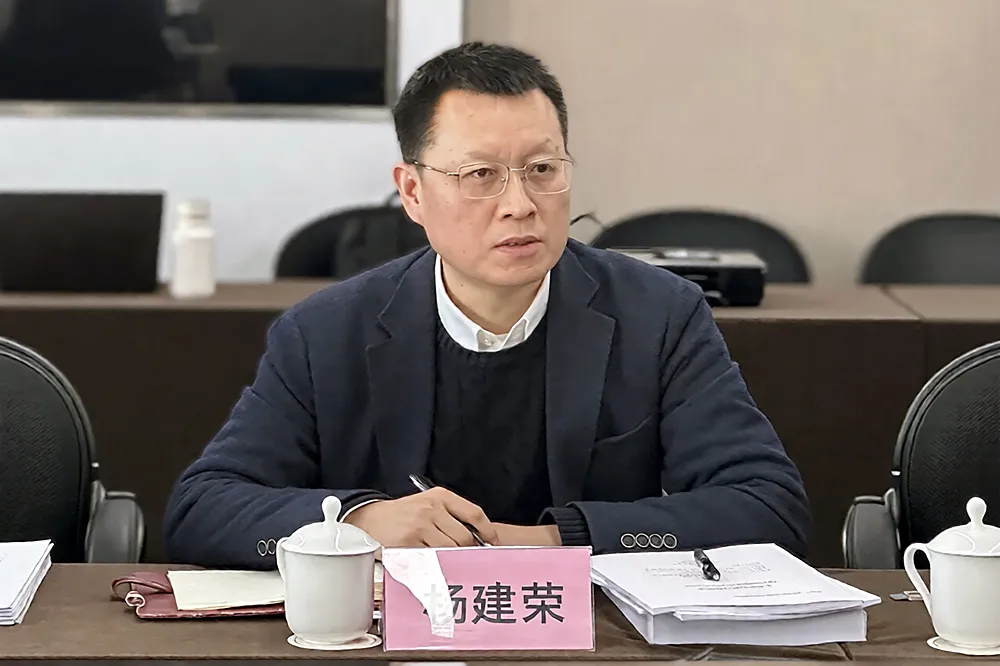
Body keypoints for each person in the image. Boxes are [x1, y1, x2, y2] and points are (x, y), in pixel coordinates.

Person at [164, 42, 810, 569]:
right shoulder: (325, 332)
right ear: (412, 192)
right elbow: (203, 509)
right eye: (480, 176)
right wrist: (357, 521)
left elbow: (769, 507)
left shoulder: (660, 315)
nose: (520, 205)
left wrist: (558, 541)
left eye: (542, 169)